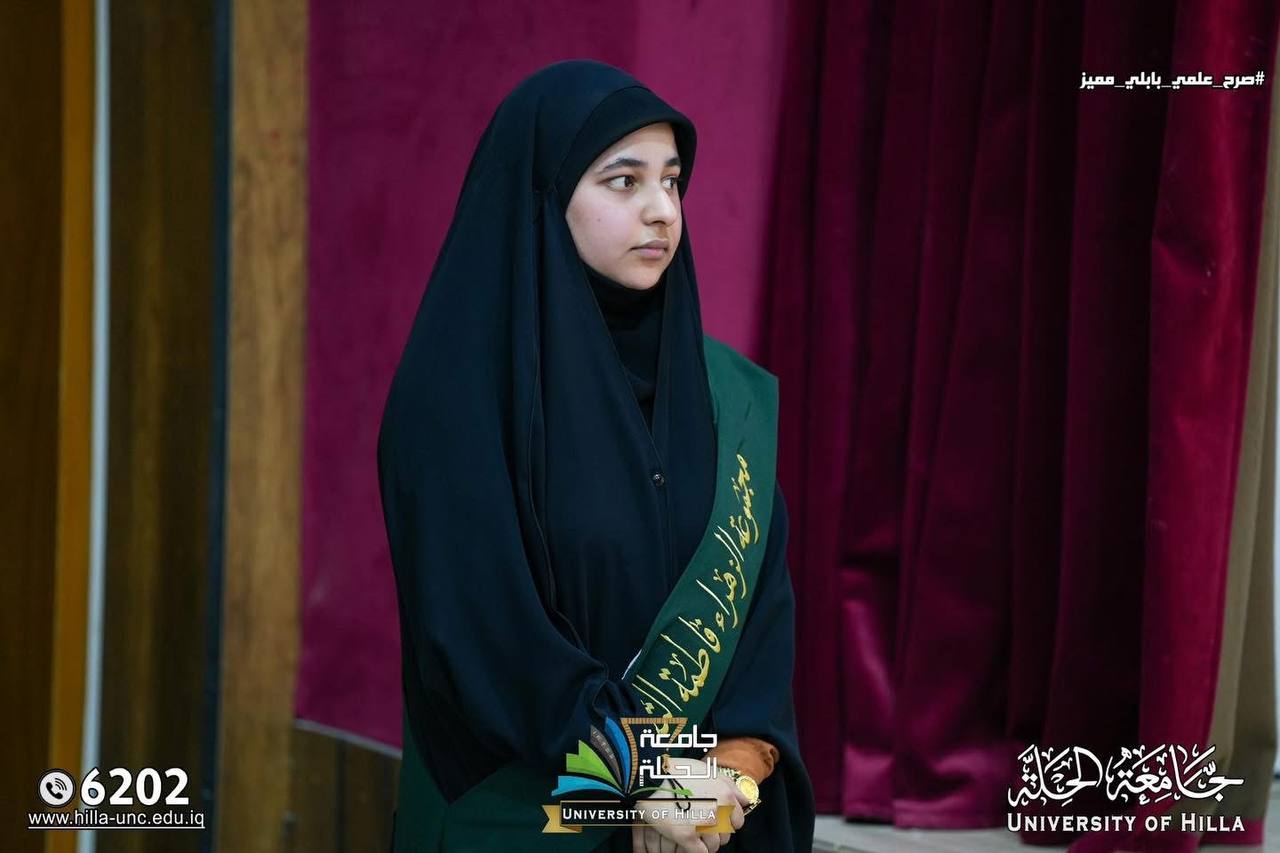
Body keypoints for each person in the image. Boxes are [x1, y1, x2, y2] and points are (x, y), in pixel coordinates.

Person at [376, 59, 815, 852]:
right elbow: (490, 641)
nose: (661, 210)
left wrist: (724, 776)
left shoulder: (718, 396)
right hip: (518, 822)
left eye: (672, 181)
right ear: (546, 195)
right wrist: (644, 781)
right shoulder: (458, 399)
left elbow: (760, 622)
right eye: (623, 181)